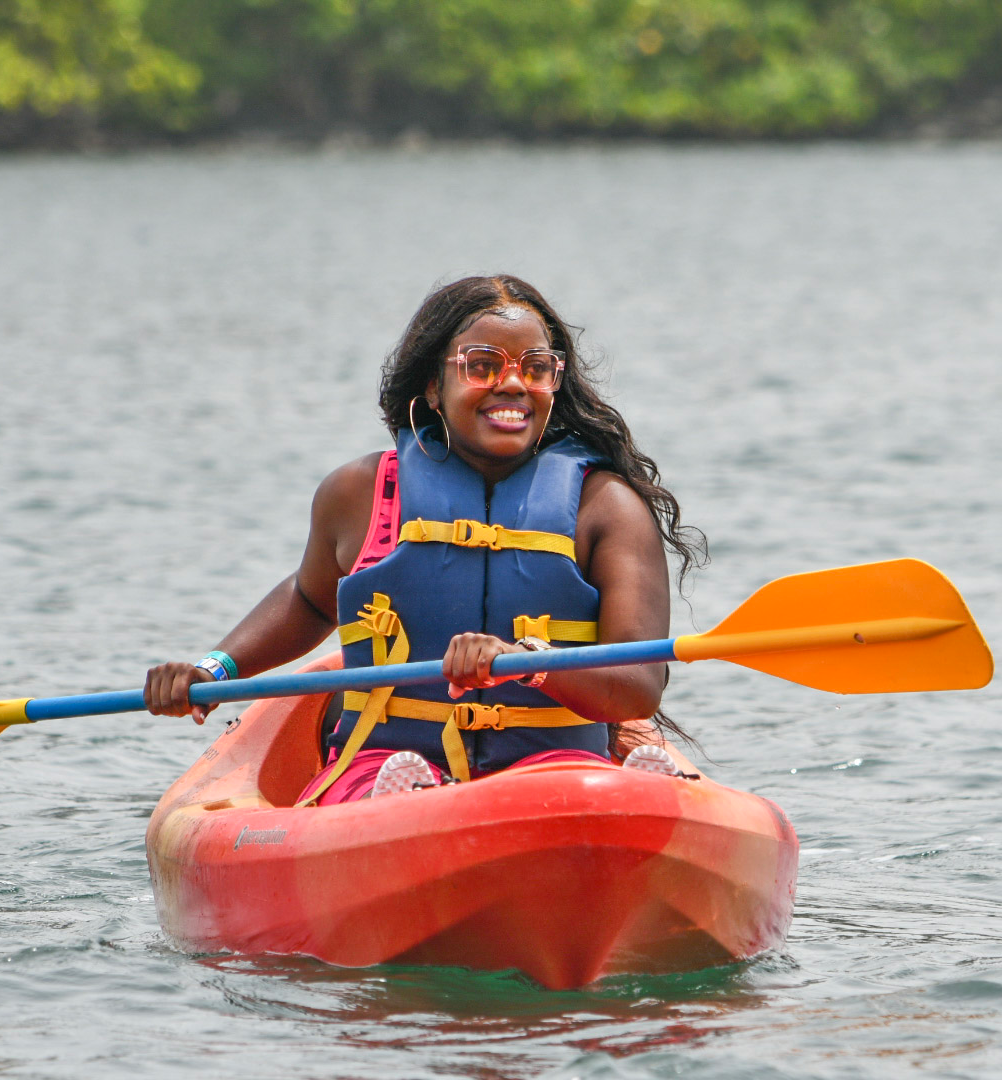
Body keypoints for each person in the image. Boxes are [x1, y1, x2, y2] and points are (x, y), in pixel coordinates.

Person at [144, 275, 706, 803]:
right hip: (386, 760)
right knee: (391, 779)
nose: (512, 383)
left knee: (568, 782)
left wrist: (525, 660)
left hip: (553, 764)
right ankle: (405, 800)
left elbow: (638, 686)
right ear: (434, 387)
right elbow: (310, 600)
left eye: (535, 368)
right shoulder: (361, 493)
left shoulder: (605, 506)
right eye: (482, 365)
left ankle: (630, 799)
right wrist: (215, 670)